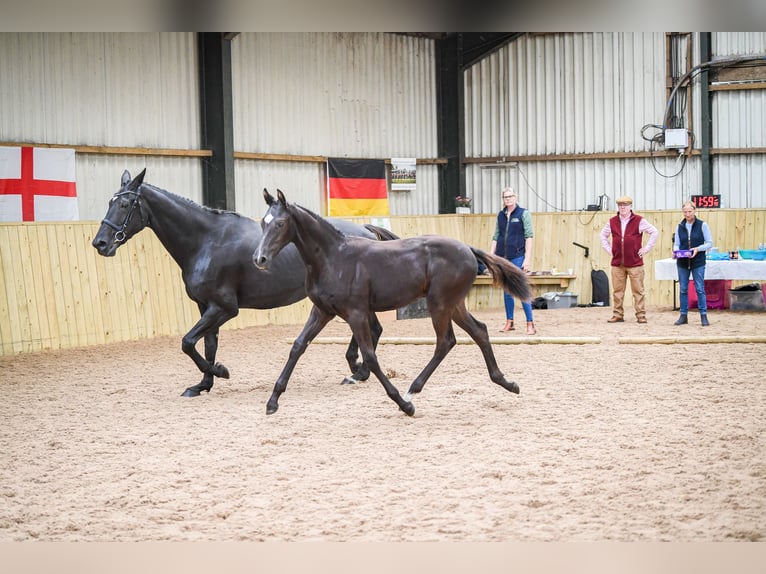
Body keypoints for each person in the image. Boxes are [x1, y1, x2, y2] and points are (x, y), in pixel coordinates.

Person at [599, 195, 659, 324]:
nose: (623, 207)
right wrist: (610, 250)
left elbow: (654, 232)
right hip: (617, 263)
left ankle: (641, 315)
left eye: (625, 205)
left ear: (630, 206)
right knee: (617, 291)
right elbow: (603, 236)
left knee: (638, 291)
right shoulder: (612, 221)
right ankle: (617, 314)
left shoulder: (639, 220)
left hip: (635, 263)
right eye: (620, 205)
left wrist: (646, 248)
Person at [490, 187, 536, 335]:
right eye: (505, 197)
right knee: (507, 290)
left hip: (517, 256)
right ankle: (510, 321)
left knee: (521, 289)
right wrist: (491, 256)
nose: (508, 199)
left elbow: (529, 236)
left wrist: (527, 259)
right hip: (503, 257)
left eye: (510, 196)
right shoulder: (501, 216)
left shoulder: (523, 214)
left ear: (515, 197)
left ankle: (530, 323)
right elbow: (496, 236)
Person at [673, 201, 713, 326]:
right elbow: (677, 243)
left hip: (698, 261)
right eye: (685, 212)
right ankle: (683, 315)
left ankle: (703, 315)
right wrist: (676, 252)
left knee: (700, 289)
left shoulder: (703, 225)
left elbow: (709, 243)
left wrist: (698, 249)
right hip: (683, 262)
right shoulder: (679, 226)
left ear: (694, 211)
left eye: (690, 211)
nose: (687, 214)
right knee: (683, 289)